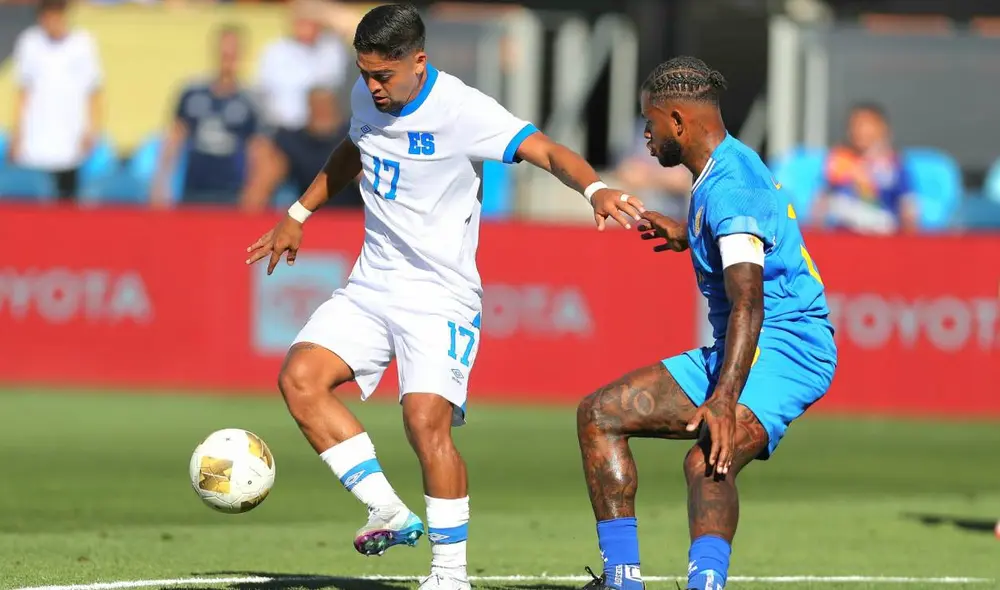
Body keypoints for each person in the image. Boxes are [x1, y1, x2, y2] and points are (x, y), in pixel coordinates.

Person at [244, 5, 641, 590]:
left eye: (383, 75)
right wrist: (299, 212)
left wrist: (596, 188)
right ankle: (387, 509)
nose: (372, 87)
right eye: (365, 73)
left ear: (419, 62)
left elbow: (548, 150)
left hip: (440, 297)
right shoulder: (366, 97)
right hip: (372, 284)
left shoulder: (464, 110)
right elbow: (354, 150)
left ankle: (450, 576)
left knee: (424, 421)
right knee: (299, 379)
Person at [576, 57, 837, 590]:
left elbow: (749, 303)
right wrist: (685, 236)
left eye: (649, 124)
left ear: (677, 121)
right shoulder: (721, 169)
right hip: (748, 343)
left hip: (788, 347)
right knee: (599, 414)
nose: (645, 138)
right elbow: (738, 251)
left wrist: (722, 399)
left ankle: (706, 584)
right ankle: (622, 579)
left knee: (708, 459)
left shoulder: (732, 187)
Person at [152, 25, 270, 207]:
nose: (227, 59)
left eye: (232, 53)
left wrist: (253, 192)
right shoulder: (192, 93)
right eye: (224, 53)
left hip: (231, 192)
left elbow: (257, 150)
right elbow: (175, 137)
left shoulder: (250, 101)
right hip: (194, 188)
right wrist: (161, 182)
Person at [9, 0, 103, 200]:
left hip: (70, 132)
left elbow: (94, 90)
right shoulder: (30, 42)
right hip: (38, 133)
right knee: (34, 195)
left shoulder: (83, 43)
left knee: (67, 196)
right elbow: (23, 90)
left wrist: (92, 128)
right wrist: (18, 131)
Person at [246, 87, 362, 212]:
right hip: (308, 218)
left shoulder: (357, 138)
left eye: (325, 106)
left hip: (353, 218)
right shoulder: (294, 141)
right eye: (317, 107)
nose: (321, 112)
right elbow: (260, 188)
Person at [811, 103, 919, 234]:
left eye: (867, 125)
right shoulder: (838, 162)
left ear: (883, 129)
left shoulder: (894, 165)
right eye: (855, 125)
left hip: (883, 235)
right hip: (843, 237)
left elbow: (908, 205)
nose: (860, 130)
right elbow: (822, 203)